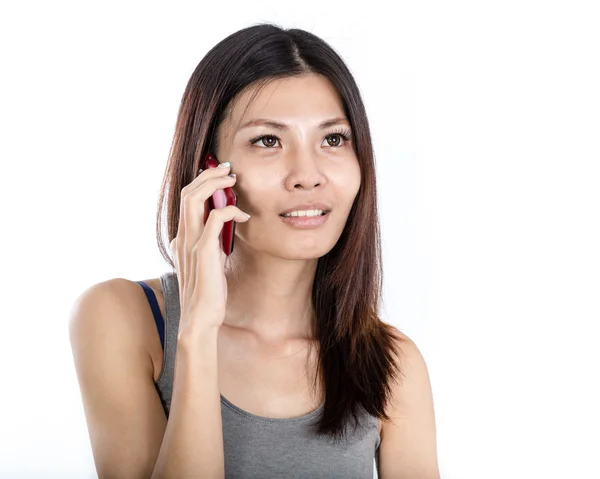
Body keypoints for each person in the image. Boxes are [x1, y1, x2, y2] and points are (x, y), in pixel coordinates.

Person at [69, 23, 440, 478]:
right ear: (209, 171)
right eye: (268, 141)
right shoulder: (122, 318)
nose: (308, 175)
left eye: (333, 139)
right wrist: (198, 331)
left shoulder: (392, 364)